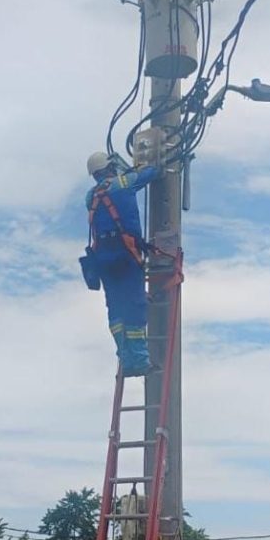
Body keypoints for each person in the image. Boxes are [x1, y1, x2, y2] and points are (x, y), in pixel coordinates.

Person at [84, 151, 160, 377]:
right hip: (125, 255)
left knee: (116, 310)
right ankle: (139, 362)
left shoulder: (90, 196)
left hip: (103, 260)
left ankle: (126, 359)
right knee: (135, 308)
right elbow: (151, 173)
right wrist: (152, 162)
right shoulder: (123, 183)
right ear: (109, 167)